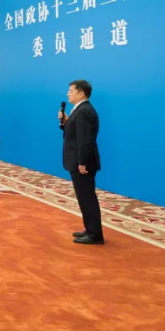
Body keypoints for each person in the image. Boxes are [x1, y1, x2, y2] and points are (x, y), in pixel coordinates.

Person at [60, 80, 104, 245]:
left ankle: (95, 235)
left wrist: (82, 162)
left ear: (81, 93)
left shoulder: (84, 111)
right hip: (79, 159)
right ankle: (90, 229)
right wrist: (66, 122)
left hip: (82, 162)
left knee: (87, 197)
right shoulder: (80, 109)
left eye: (71, 91)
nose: (68, 93)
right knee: (84, 197)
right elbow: (75, 133)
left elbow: (85, 140)